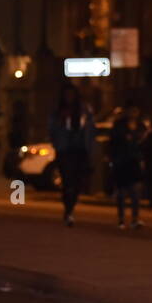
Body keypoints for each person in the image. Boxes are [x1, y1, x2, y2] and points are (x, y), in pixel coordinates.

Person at [49, 83, 95, 227]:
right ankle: (68, 211)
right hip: (65, 149)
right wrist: (56, 143)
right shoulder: (58, 111)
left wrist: (89, 145)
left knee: (78, 181)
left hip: (80, 149)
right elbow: (52, 129)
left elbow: (91, 128)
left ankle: (70, 206)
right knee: (68, 181)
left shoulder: (84, 110)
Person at [109, 103, 145, 228]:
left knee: (136, 192)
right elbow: (113, 143)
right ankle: (121, 219)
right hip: (122, 162)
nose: (133, 113)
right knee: (122, 192)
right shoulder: (119, 125)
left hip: (134, 162)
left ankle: (135, 219)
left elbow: (143, 144)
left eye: (135, 110)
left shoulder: (141, 126)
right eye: (131, 110)